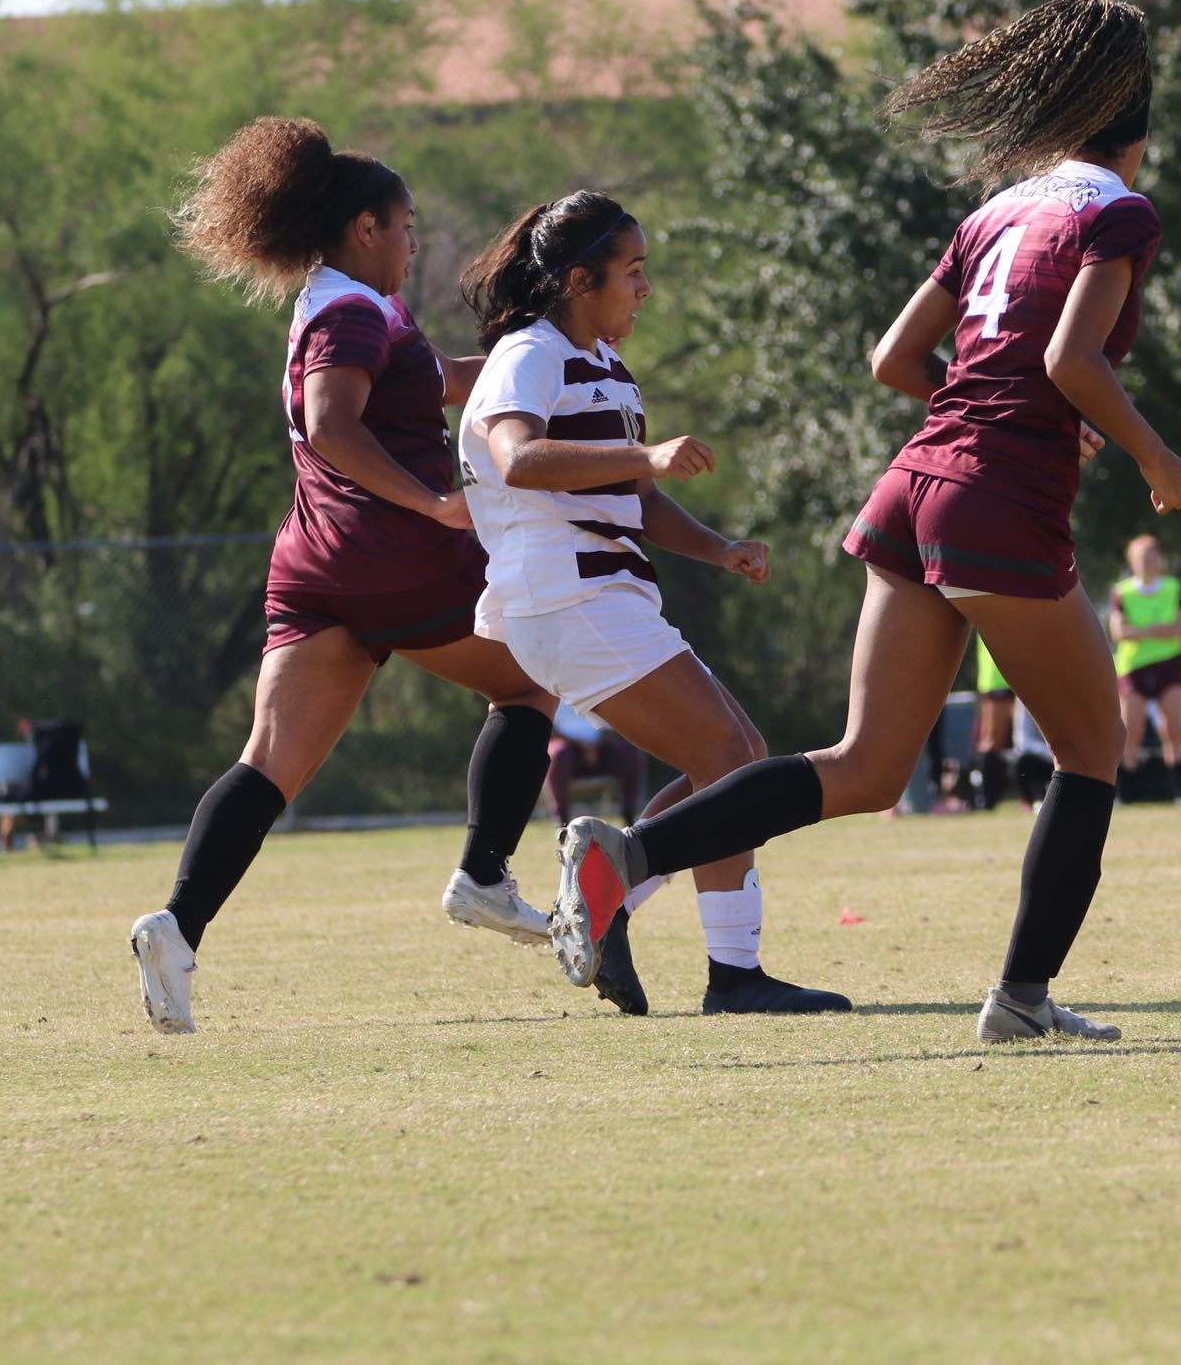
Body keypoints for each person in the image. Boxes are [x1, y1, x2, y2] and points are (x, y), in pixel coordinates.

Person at [544, 0, 1181, 1043]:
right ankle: (1022, 1001)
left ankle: (626, 858)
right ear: (1138, 128)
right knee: (1093, 746)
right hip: (998, 497)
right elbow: (1069, 362)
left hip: (914, 484)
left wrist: (995, 403)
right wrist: (1157, 456)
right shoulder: (1119, 210)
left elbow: (893, 361)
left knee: (865, 766)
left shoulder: (996, 212)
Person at [129, 118, 560, 1036]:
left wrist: (552, 366)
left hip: (316, 564)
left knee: (270, 766)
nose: (413, 242)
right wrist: (432, 504)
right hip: (391, 553)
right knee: (531, 684)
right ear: (364, 227)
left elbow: (440, 378)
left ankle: (176, 927)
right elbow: (331, 424)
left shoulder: (346, 302)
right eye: (405, 226)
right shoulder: (355, 310)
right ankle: (485, 877)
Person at [458, 189, 848, 1016]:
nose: (644, 289)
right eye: (631, 272)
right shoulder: (530, 351)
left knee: (740, 758)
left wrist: (717, 548)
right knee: (728, 759)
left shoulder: (603, 365)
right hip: (566, 594)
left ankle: (608, 901)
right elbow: (520, 459)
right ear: (576, 279)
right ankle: (729, 974)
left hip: (599, 593)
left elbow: (634, 492)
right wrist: (651, 452)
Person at [1108, 533, 1181, 802]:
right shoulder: (1123, 592)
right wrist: (1158, 630)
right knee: (1130, 733)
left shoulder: (1172, 587)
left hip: (1168, 666)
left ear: (1159, 559)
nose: (1146, 563)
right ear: (1132, 561)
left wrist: (1144, 631)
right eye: (1140, 558)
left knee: (1174, 730)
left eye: (1151, 557)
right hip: (1134, 668)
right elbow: (1119, 632)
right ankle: (1125, 792)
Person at [544, 703, 646, 827]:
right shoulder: (552, 693)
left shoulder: (595, 687)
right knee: (559, 754)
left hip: (602, 747)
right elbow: (550, 728)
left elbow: (611, 726)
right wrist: (582, 746)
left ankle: (629, 817)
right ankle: (562, 821)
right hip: (569, 750)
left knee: (629, 752)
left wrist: (596, 746)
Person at [967, 636, 1024, 812]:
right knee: (991, 740)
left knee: (1023, 742)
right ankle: (984, 799)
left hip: (1020, 674)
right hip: (996, 678)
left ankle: (1025, 795)